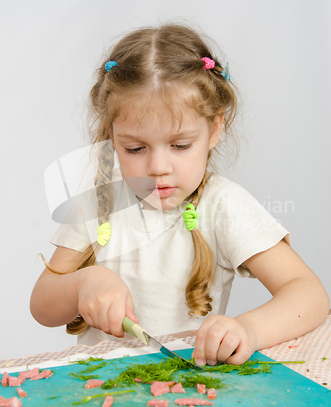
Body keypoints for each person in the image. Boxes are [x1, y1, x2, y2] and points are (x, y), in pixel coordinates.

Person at [30, 24, 329, 367]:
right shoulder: (97, 204)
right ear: (112, 137)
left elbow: (309, 294)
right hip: (99, 393)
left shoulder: (223, 205)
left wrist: (249, 329)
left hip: (186, 387)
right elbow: (42, 306)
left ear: (215, 129)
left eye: (180, 145)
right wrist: (84, 283)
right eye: (136, 147)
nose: (158, 167)